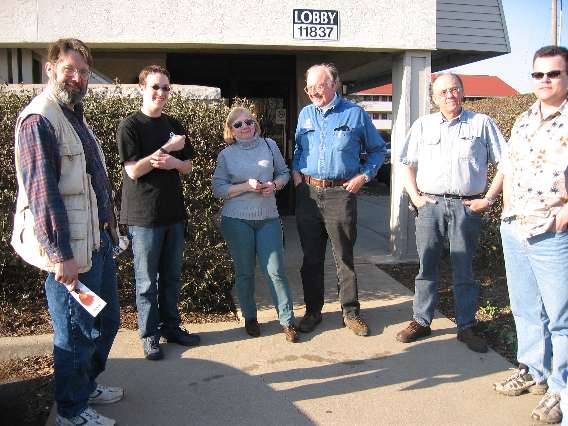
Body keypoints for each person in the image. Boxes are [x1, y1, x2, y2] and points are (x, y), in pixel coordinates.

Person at [11, 38, 122, 426]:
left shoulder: (73, 114)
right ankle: (71, 412)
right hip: (71, 254)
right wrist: (61, 256)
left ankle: (85, 386)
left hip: (96, 245)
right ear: (51, 69)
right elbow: (43, 195)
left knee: (105, 321)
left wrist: (111, 230)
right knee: (75, 333)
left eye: (83, 72)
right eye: (69, 69)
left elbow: (92, 181)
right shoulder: (40, 119)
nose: (76, 78)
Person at [395, 73, 506, 353]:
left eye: (454, 89)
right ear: (434, 98)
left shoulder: (481, 123)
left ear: (463, 92)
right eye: (443, 92)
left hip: (467, 207)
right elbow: (406, 163)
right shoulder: (423, 125)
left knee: (464, 269)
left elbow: (506, 164)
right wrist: (415, 196)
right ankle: (421, 321)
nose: (449, 95)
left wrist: (488, 199)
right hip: (430, 206)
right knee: (426, 267)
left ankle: (466, 326)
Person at [493, 45, 568, 424]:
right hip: (515, 227)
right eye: (538, 74)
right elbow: (508, 167)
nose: (544, 80)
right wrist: (503, 207)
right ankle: (533, 371)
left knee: (561, 316)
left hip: (553, 232)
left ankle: (561, 389)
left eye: (553, 73)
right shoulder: (523, 119)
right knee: (525, 309)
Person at [292, 63, 386, 336]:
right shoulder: (305, 114)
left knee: (343, 256)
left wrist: (363, 177)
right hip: (308, 194)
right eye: (309, 87)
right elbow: (298, 148)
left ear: (334, 85)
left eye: (319, 86)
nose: (313, 92)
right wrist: (296, 172)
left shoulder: (355, 114)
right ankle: (313, 312)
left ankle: (350, 313)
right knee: (311, 258)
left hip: (340, 194)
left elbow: (378, 150)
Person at [117, 65, 199, 361]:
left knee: (172, 278)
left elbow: (187, 166)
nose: (161, 93)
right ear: (142, 88)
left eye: (165, 88)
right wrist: (166, 149)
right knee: (146, 282)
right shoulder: (130, 126)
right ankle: (149, 336)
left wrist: (175, 163)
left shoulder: (173, 123)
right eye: (155, 87)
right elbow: (134, 171)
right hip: (144, 217)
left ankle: (171, 328)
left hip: (173, 214)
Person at [212, 107, 298, 343]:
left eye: (249, 122)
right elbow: (218, 188)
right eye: (238, 124)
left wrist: (275, 185)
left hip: (268, 217)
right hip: (237, 220)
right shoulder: (226, 155)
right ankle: (250, 318)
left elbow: (284, 173)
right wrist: (245, 186)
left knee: (276, 271)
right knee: (245, 272)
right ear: (231, 130)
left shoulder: (269, 145)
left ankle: (287, 320)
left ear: (255, 124)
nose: (245, 127)